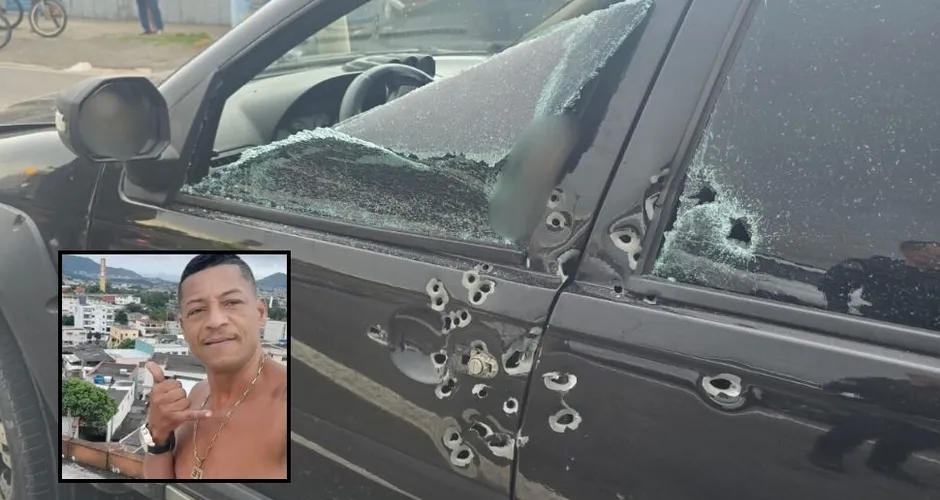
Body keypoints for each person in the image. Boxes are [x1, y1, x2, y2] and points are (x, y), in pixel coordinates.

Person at [141, 254, 287, 479]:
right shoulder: (196, 397)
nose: (215, 321)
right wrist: (158, 436)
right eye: (197, 310)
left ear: (260, 313)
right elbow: (161, 490)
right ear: (183, 327)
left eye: (232, 303)